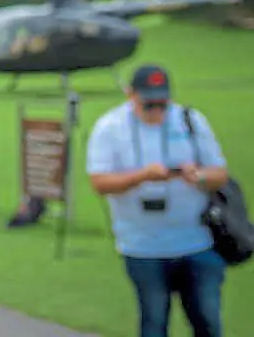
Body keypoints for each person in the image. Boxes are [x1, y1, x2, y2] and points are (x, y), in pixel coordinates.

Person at [87, 64, 230, 337]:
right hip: (143, 247)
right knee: (154, 323)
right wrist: (142, 176)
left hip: (197, 243)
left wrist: (198, 176)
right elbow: (99, 182)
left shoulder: (190, 120)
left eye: (162, 104)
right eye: (149, 104)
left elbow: (220, 174)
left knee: (209, 323)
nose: (156, 112)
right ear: (130, 95)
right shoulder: (110, 127)